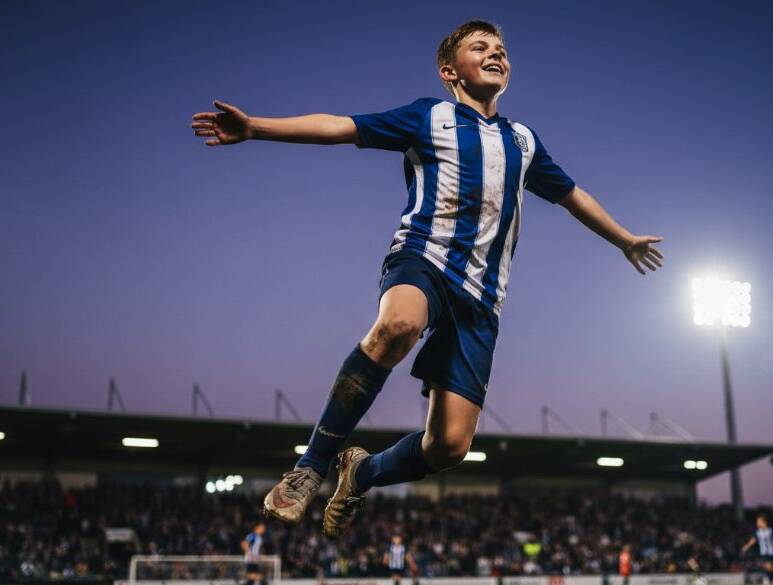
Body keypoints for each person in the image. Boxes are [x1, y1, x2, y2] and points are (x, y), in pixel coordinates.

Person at [191, 20, 664, 538]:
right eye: (479, 47)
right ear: (449, 71)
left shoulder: (522, 141)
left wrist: (624, 239)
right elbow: (340, 127)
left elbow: (572, 195)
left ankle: (362, 472)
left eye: (501, 49)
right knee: (397, 326)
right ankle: (311, 466)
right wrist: (257, 127)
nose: (495, 53)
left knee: (450, 447)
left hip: (483, 298)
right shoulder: (429, 116)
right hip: (424, 259)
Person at [741, 514, 773, 583]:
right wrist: (746, 546)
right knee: (767, 567)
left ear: (764, 522)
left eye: (758, 521)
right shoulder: (758, 532)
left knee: (768, 567)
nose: (757, 523)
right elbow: (753, 540)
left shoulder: (771, 530)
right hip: (764, 552)